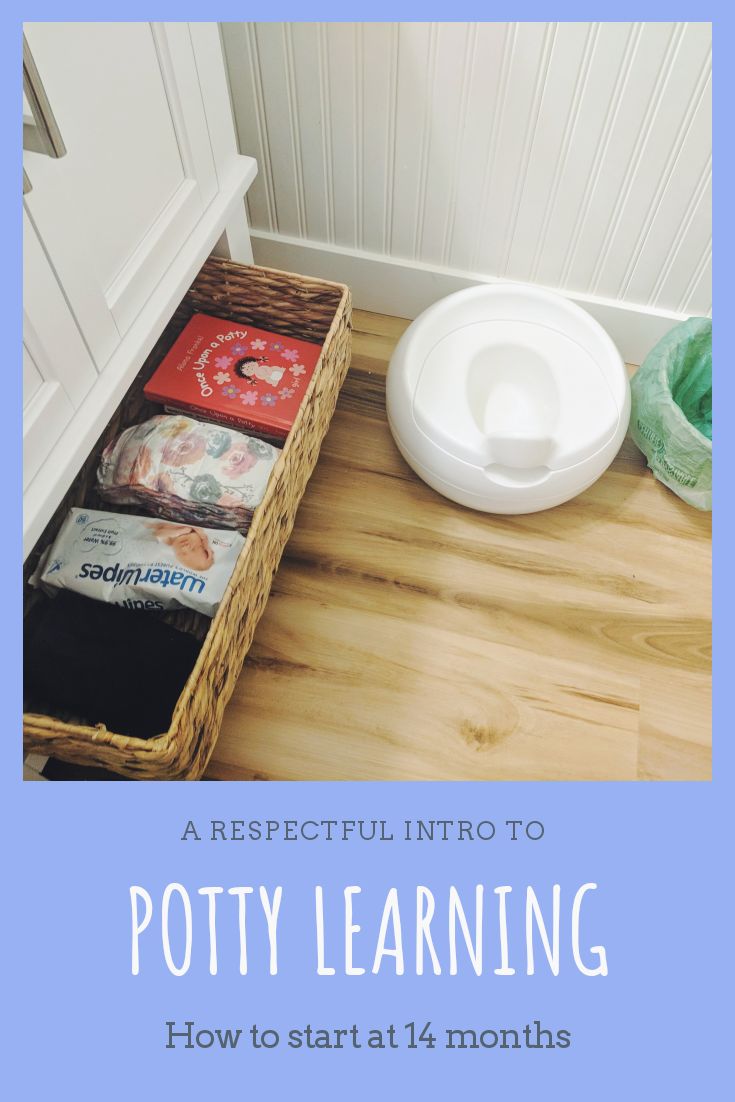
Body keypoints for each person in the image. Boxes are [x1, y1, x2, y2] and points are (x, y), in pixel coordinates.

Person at [149, 522, 214, 572]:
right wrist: (204, 540)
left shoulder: (169, 541)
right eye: (193, 549)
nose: (185, 547)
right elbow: (203, 534)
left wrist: (177, 532)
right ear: (202, 543)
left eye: (182, 553)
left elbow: (157, 533)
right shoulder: (198, 531)